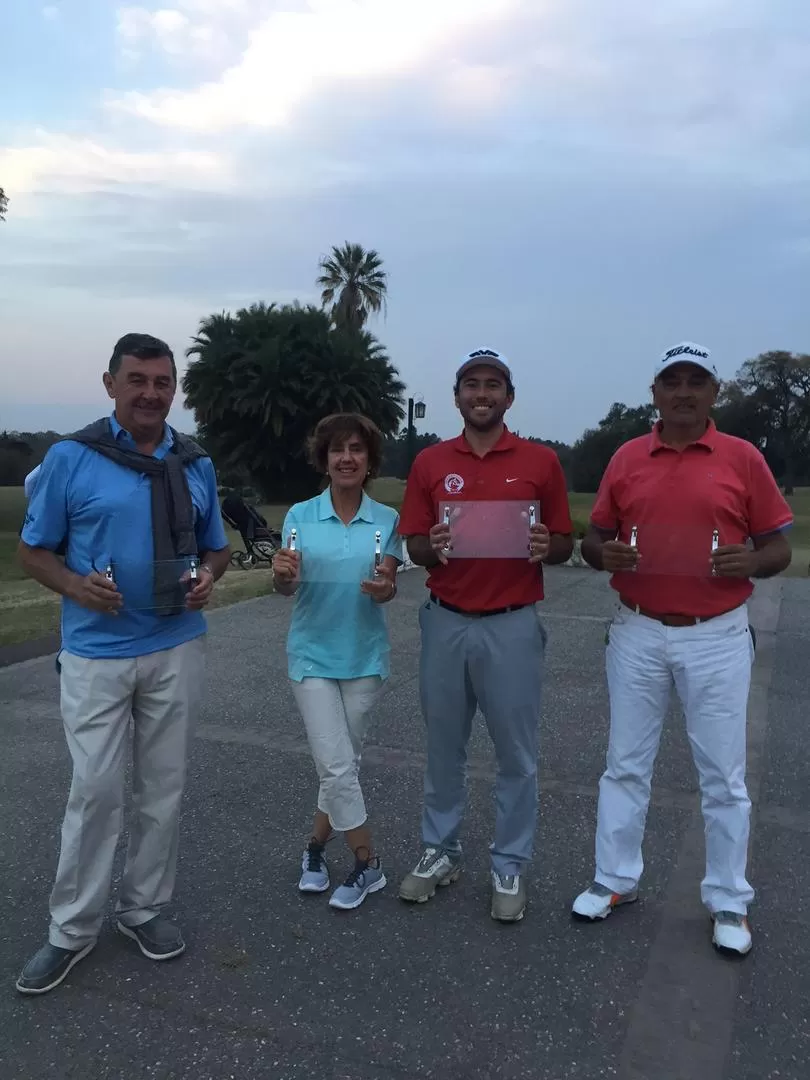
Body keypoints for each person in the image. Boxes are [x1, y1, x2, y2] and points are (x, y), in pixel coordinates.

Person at [15, 333, 231, 995]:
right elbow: (34, 551)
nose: (150, 393)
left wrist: (208, 578)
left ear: (174, 389)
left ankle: (142, 907)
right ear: (110, 384)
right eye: (136, 380)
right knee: (96, 792)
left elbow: (216, 548)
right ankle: (71, 931)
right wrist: (77, 586)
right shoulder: (72, 458)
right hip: (97, 654)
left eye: (162, 382)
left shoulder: (194, 462)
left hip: (175, 645)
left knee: (161, 790)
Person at [571, 342, 792, 956]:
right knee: (625, 765)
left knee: (723, 776)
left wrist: (753, 560)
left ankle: (728, 900)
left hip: (717, 633)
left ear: (714, 393)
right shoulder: (627, 456)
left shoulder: (741, 458)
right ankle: (615, 879)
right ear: (655, 393)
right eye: (672, 381)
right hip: (637, 629)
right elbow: (595, 538)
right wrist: (601, 554)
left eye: (697, 381)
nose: (684, 392)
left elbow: (779, 548)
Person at [396, 348, 574, 922]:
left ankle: (510, 863)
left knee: (516, 754)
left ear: (508, 397)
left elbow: (566, 543)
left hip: (513, 623)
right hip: (446, 617)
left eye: (492, 385)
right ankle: (440, 851)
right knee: (444, 747)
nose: (481, 394)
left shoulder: (540, 461)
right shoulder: (430, 462)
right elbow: (414, 545)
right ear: (456, 397)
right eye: (471, 384)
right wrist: (433, 547)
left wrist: (551, 546)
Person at [272, 413, 402, 911]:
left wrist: (386, 587)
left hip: (365, 657)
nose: (346, 458)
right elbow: (286, 584)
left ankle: (313, 849)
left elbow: (387, 585)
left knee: (340, 766)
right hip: (312, 656)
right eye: (336, 450)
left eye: (356, 449)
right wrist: (282, 575)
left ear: (369, 460)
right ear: (324, 459)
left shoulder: (386, 520)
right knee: (336, 763)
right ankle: (368, 864)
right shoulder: (300, 517)